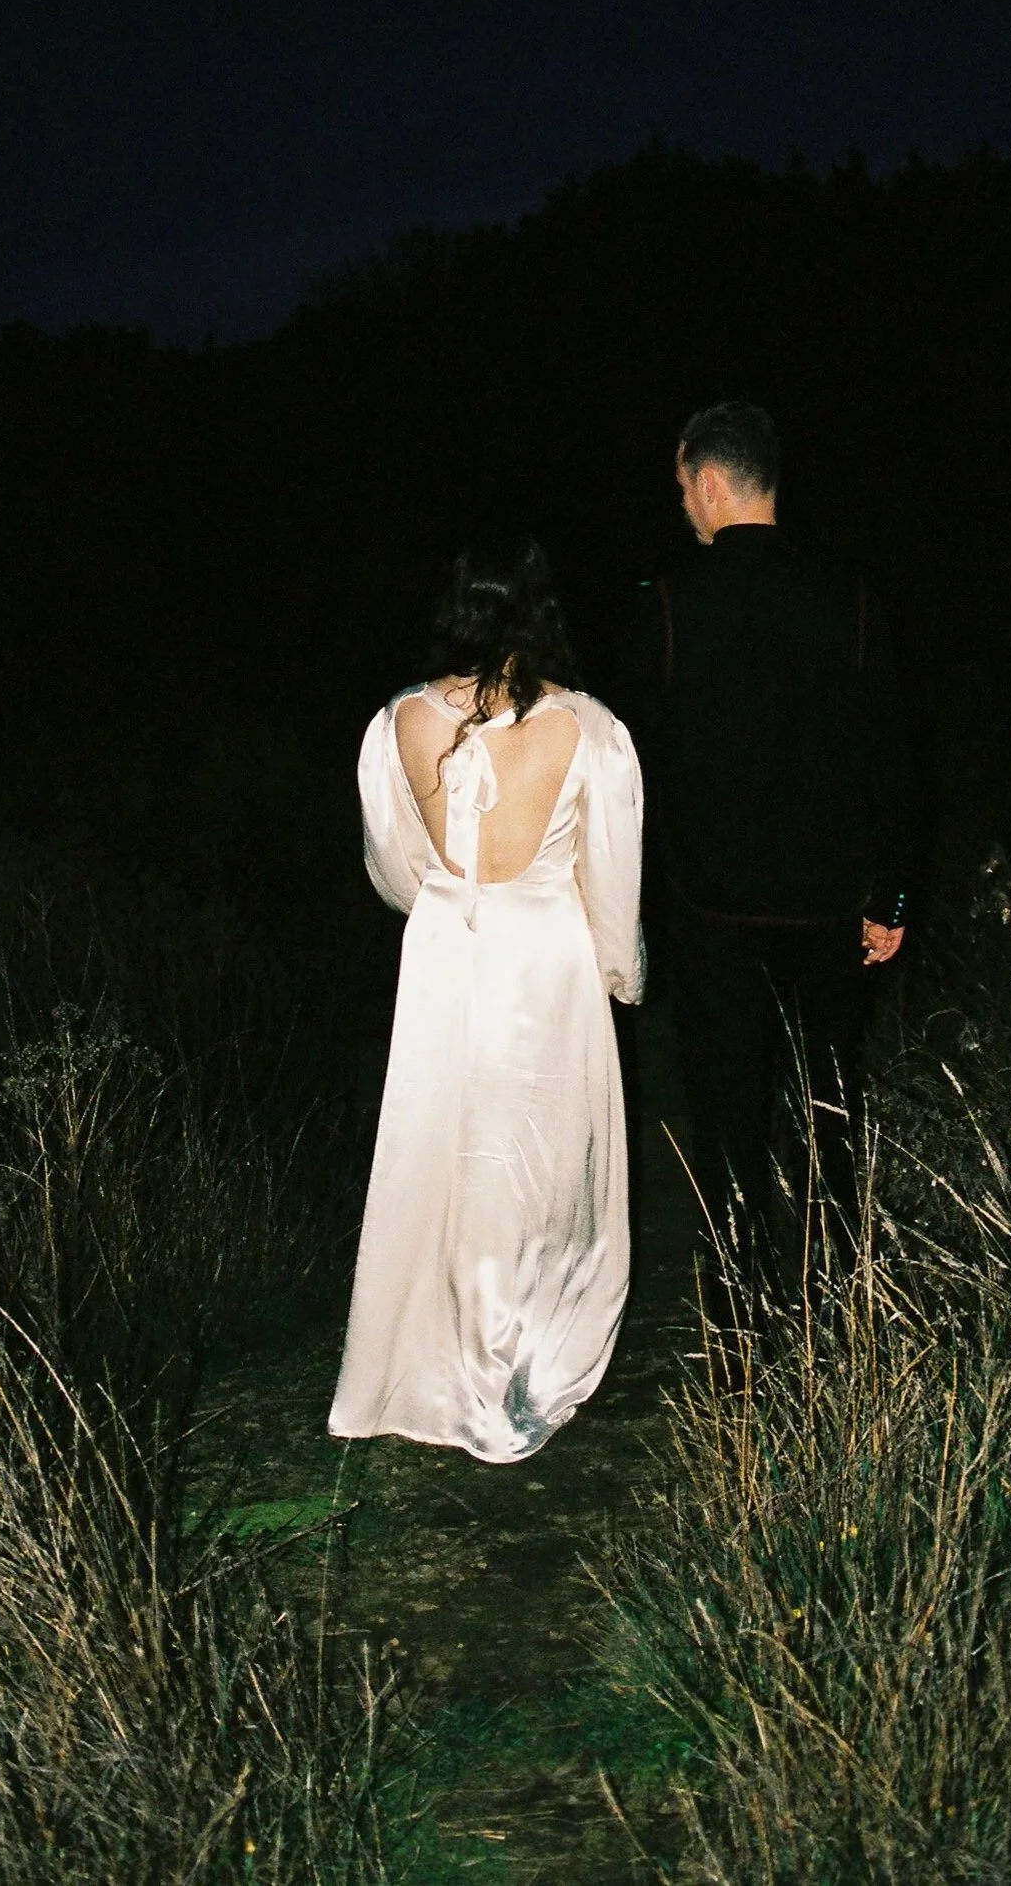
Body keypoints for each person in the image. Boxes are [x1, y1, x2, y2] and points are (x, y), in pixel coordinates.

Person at [329, 540, 645, 1464]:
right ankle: (521, 1354)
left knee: (451, 1156)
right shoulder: (586, 728)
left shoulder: (395, 722)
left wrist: (446, 903)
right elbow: (611, 874)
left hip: (446, 951)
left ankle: (450, 1354)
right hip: (544, 954)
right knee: (539, 1156)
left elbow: (393, 865)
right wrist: (618, 968)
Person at [618, 401, 913, 1306]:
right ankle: (838, 1305)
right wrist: (890, 898)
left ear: (709, 482)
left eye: (680, 489)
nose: (681, 507)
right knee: (829, 1100)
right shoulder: (852, 596)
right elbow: (893, 754)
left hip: (712, 912)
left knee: (727, 1117)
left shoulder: (667, 602)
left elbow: (635, 763)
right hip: (829, 906)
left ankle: (739, 1326)